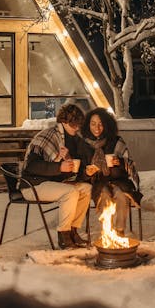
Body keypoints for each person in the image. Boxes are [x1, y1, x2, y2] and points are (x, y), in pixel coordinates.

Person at [21, 104, 92, 249]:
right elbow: (32, 166)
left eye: (79, 125)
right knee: (71, 192)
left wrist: (82, 168)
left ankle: (73, 231)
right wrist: (59, 166)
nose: (77, 128)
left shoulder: (72, 139)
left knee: (86, 189)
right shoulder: (48, 136)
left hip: (53, 183)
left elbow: (74, 166)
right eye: (74, 125)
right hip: (33, 185)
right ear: (64, 122)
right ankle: (64, 235)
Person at [81, 107, 141, 237]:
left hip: (118, 181)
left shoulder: (116, 141)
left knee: (122, 195)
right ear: (88, 125)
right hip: (97, 182)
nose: (97, 127)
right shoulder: (83, 144)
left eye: (101, 124)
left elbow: (127, 170)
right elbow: (81, 173)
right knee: (105, 196)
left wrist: (118, 163)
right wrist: (88, 173)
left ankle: (119, 232)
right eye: (93, 123)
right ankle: (107, 231)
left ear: (107, 125)